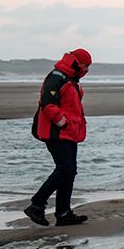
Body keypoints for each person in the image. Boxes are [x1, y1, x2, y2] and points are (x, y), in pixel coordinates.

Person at [24, 48, 92, 226]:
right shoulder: (57, 77)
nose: (86, 69)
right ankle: (37, 205)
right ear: (76, 62)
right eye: (84, 65)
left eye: (88, 67)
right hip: (56, 132)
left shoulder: (71, 79)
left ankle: (63, 213)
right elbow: (47, 104)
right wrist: (63, 123)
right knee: (64, 170)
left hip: (69, 132)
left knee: (69, 172)